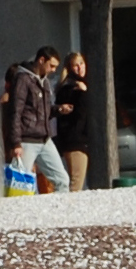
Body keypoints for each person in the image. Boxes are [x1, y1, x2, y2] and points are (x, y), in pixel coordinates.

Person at [4, 46, 65, 194]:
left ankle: (58, 213)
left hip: (44, 139)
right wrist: (16, 143)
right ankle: (18, 215)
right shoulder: (23, 79)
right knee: (21, 186)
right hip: (26, 141)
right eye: (51, 66)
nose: (53, 70)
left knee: (63, 181)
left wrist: (58, 109)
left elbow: (43, 111)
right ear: (41, 60)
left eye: (56, 67)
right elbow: (15, 112)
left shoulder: (44, 82)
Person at [52, 50, 89, 192]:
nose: (80, 68)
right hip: (75, 142)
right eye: (76, 65)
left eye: (81, 63)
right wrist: (83, 93)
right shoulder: (70, 89)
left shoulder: (81, 85)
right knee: (76, 183)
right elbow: (79, 114)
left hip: (78, 140)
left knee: (76, 180)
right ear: (69, 68)